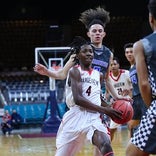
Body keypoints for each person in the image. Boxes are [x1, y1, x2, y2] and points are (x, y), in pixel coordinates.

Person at [55, 36, 122, 156]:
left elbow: (97, 98)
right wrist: (105, 110)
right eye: (84, 51)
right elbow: (79, 99)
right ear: (78, 55)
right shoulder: (74, 71)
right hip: (75, 116)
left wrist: (111, 108)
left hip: (93, 117)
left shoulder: (99, 75)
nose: (88, 54)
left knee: (105, 143)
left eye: (90, 51)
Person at [126, 0, 156, 155]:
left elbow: (144, 84)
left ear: (151, 18)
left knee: (132, 152)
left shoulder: (143, 45)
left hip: (151, 102)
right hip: (137, 99)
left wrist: (151, 107)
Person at [106, 57, 133, 141]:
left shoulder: (126, 73)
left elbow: (134, 87)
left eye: (115, 64)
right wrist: (107, 101)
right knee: (111, 129)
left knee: (131, 126)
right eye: (111, 65)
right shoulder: (107, 78)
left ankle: (132, 144)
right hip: (117, 105)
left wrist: (130, 92)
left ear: (118, 65)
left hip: (129, 103)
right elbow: (107, 93)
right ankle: (108, 147)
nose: (113, 66)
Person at [124, 42, 148, 137]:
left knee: (147, 125)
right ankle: (134, 146)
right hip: (136, 98)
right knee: (131, 125)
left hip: (143, 98)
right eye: (127, 52)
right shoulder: (131, 68)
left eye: (131, 52)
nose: (129, 54)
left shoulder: (141, 64)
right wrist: (130, 90)